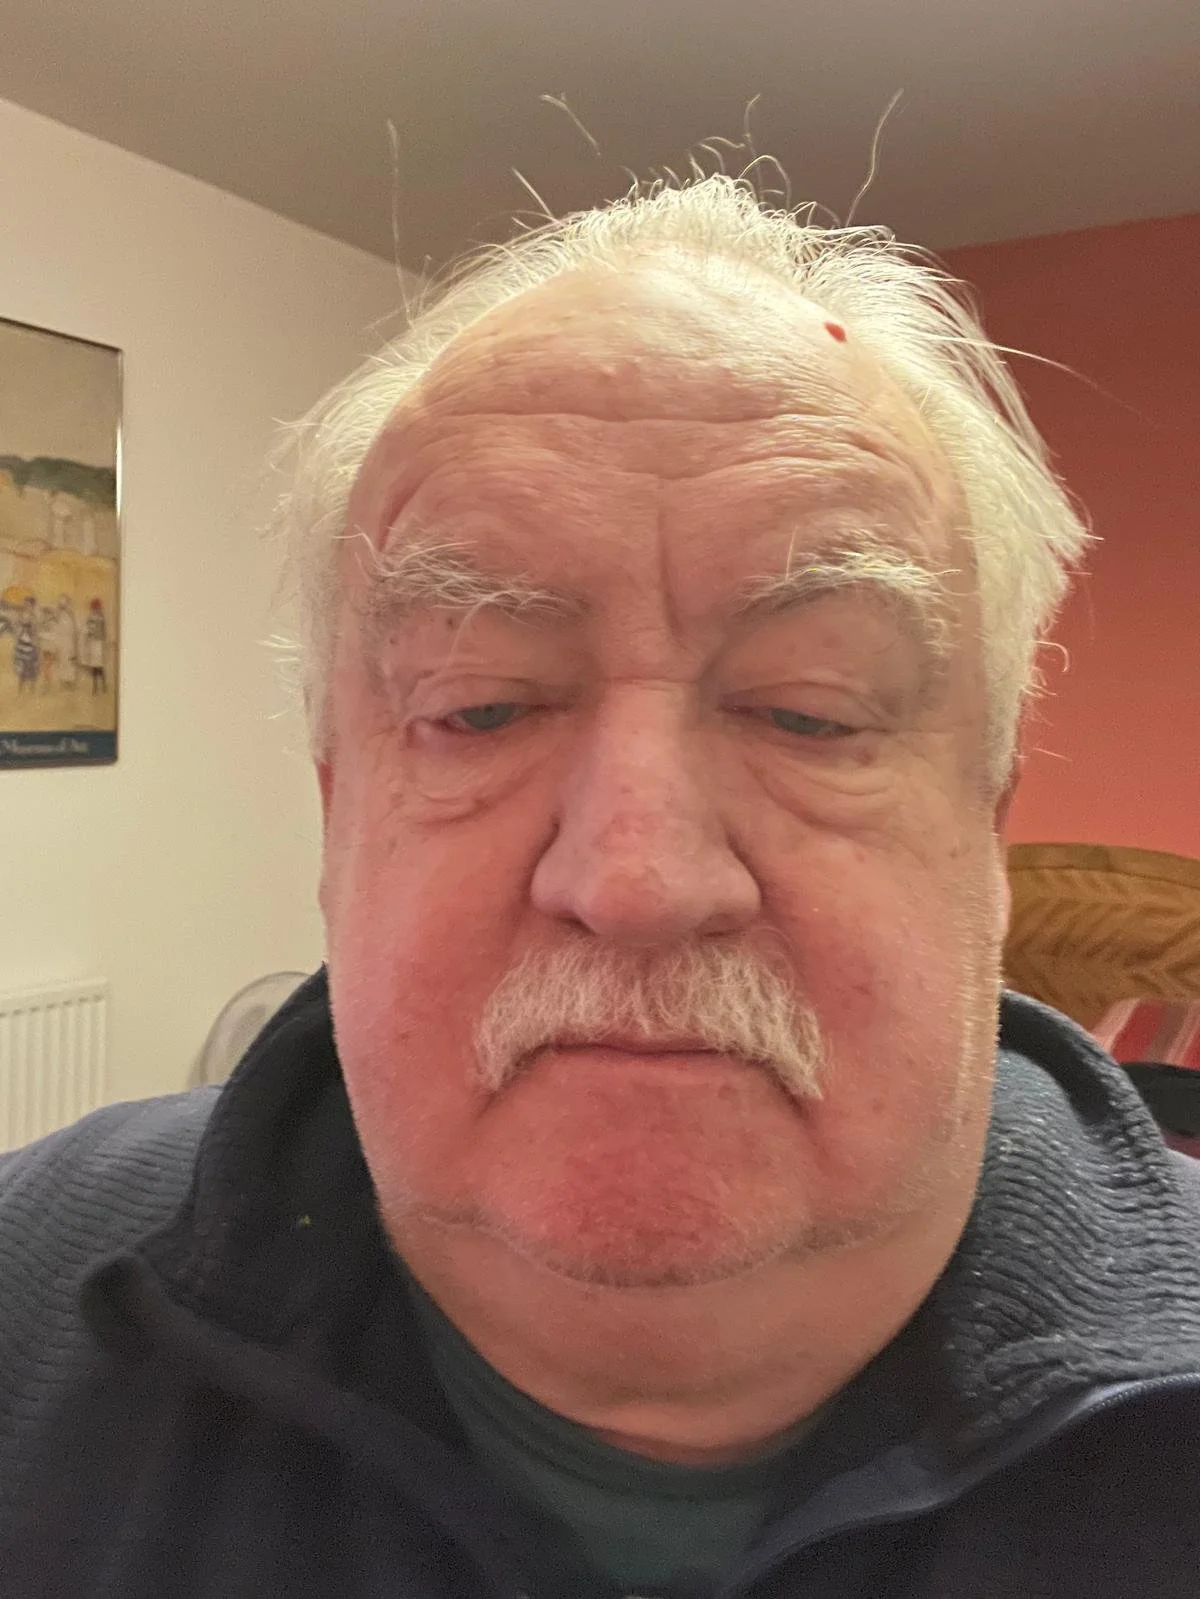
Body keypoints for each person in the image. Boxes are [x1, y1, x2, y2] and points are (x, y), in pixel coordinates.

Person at [1, 175, 1198, 1599]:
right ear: (338, 822)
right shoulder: (26, 1296)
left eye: (809, 711)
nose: (636, 877)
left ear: (985, 832)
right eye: (483, 704)